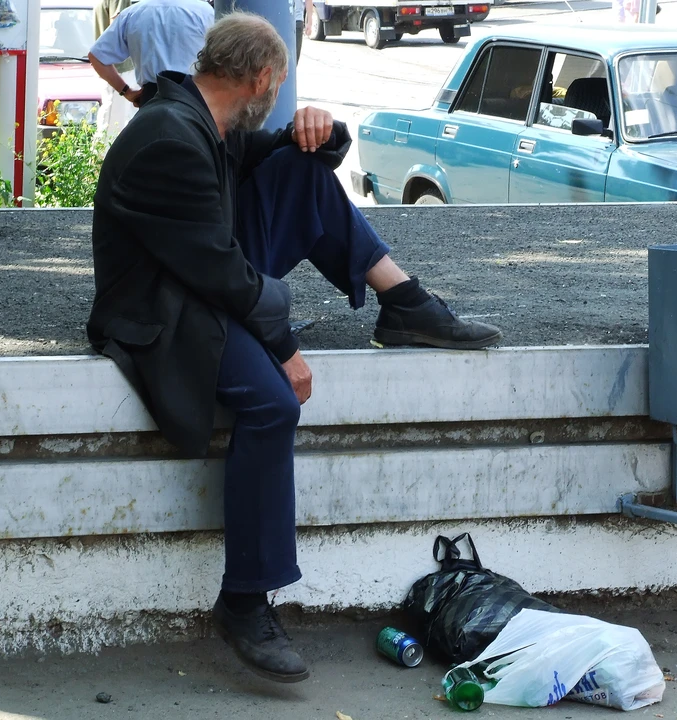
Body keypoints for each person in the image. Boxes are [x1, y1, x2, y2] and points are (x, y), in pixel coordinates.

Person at [87, 11, 501, 684]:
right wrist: (284, 348)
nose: (278, 96)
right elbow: (221, 272)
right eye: (280, 86)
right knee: (273, 404)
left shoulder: (202, 114)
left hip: (199, 280)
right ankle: (245, 599)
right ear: (259, 79)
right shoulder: (170, 138)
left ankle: (405, 305)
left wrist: (324, 128)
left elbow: (275, 153)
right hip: (164, 311)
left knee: (303, 174)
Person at [87, 0, 215, 109]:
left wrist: (126, 91)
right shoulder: (206, 12)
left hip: (152, 97)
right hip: (197, 96)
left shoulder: (132, 13)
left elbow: (97, 56)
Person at [92, 0, 138, 137]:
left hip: (109, 66)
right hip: (121, 67)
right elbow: (118, 24)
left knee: (110, 122)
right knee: (118, 124)